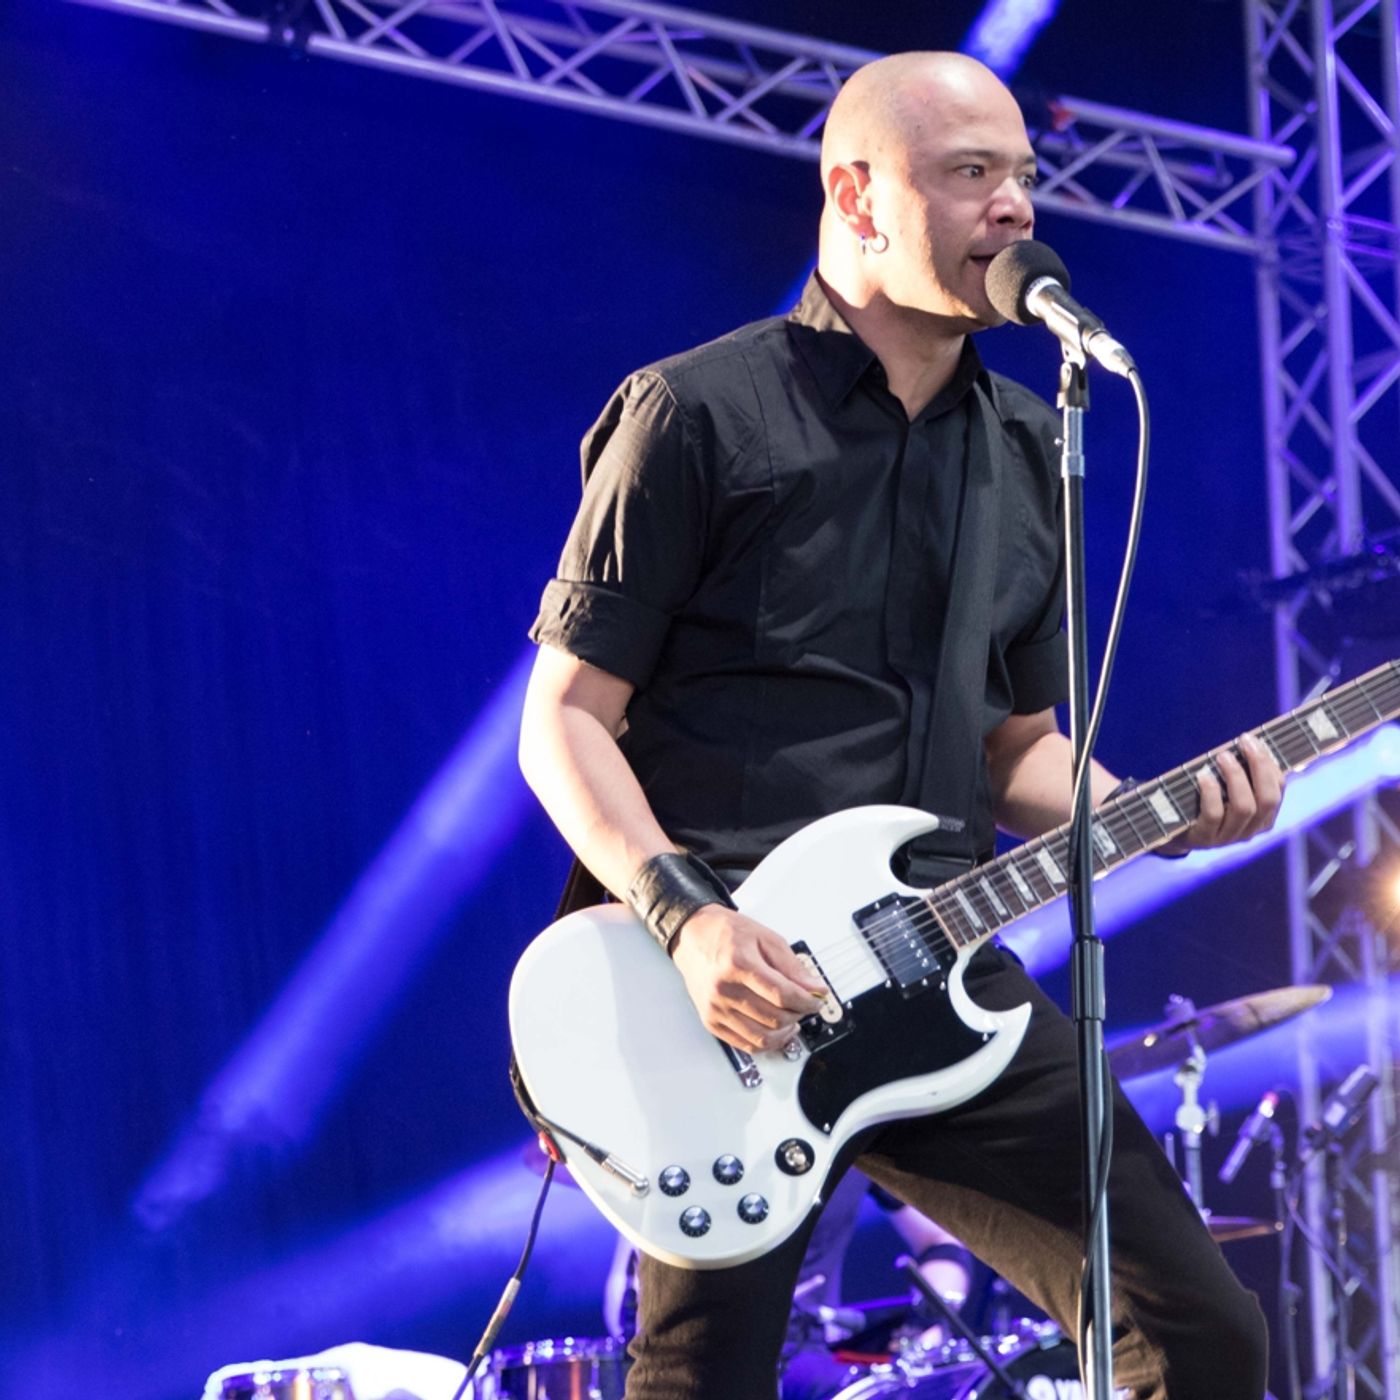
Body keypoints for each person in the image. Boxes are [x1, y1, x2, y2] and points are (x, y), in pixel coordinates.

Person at [518, 50, 1283, 1400]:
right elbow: (564, 722)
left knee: (1204, 1337)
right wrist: (690, 921)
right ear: (856, 194)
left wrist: (1155, 810)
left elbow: (1016, 750)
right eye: (971, 174)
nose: (1015, 210)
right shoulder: (697, 412)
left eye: (1026, 178)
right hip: (728, 1000)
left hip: (939, 972)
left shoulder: (1028, 451)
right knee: (703, 1376)